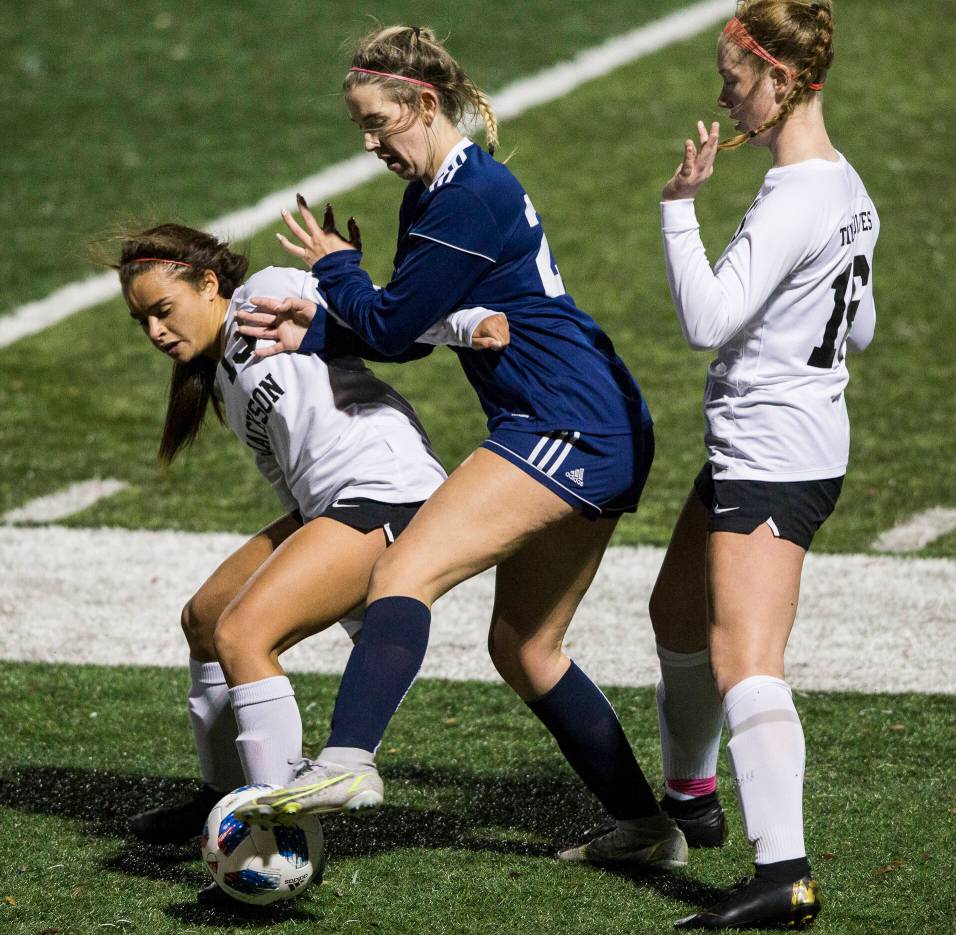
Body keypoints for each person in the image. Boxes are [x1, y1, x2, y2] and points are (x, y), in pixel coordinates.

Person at [233, 24, 689, 868]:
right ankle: (647, 828)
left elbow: (394, 321)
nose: (370, 144)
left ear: (424, 102)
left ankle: (347, 762)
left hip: (565, 421)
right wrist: (322, 328)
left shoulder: (467, 197)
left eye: (378, 122)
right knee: (524, 647)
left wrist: (335, 271)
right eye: (361, 128)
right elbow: (404, 333)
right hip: (582, 421)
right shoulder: (439, 194)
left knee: (403, 571)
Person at [116, 223, 506, 897]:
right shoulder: (224, 388)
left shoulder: (266, 293)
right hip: (330, 507)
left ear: (209, 285)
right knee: (206, 618)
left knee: (244, 634)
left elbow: (380, 319)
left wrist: (469, 325)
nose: (153, 331)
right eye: (141, 320)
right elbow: (295, 488)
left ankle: (274, 840)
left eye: (162, 309)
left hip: (388, 488)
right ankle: (220, 795)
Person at [651, 1, 878, 928]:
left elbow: (706, 320)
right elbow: (860, 323)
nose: (724, 93)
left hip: (773, 451)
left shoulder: (794, 195)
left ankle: (783, 869)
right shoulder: (846, 184)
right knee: (676, 606)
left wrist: (678, 212)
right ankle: (693, 795)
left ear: (782, 81)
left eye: (735, 78)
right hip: (782, 437)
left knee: (745, 652)